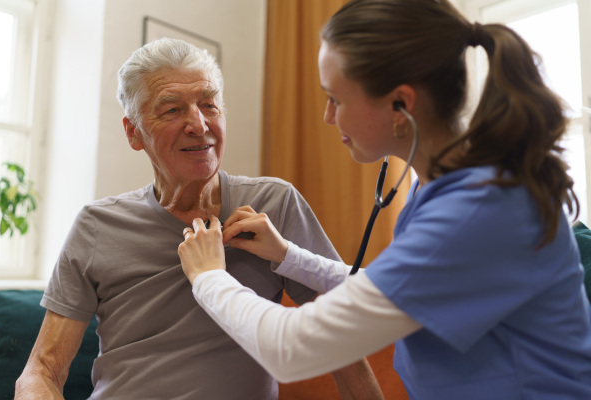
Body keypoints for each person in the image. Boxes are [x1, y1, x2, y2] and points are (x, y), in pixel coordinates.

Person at [177, 0, 591, 399]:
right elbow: (393, 288)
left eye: (335, 99)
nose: (327, 116)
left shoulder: (481, 210)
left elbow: (294, 349)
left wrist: (209, 276)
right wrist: (287, 254)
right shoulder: (435, 186)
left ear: (400, 104)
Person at [15, 38, 384, 399]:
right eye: (172, 109)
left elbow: (342, 340)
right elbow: (42, 370)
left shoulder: (274, 203)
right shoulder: (96, 225)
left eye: (209, 105)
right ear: (134, 133)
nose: (199, 124)